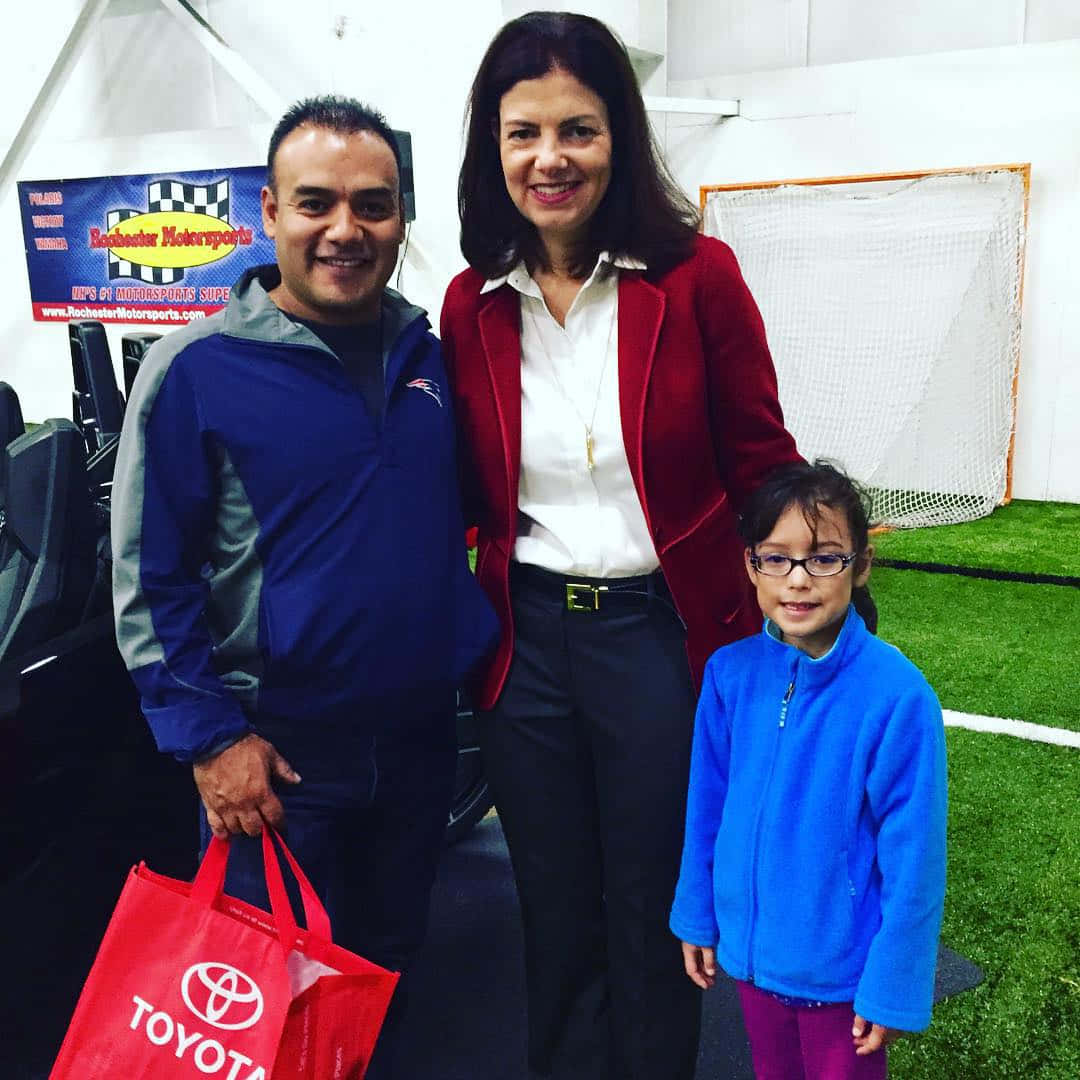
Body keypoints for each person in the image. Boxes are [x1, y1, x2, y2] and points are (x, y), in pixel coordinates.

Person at [440, 12, 803, 1078]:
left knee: (655, 904)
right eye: (523, 134)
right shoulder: (470, 305)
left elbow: (764, 463)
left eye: (578, 130)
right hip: (527, 647)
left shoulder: (697, 279)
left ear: (620, 137)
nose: (549, 158)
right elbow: (459, 486)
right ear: (492, 149)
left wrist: (808, 598)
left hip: (662, 638)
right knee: (550, 902)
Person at [111, 95, 496, 1076]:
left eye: (373, 205)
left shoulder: (429, 358)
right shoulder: (196, 369)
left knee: (386, 971)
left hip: (414, 748)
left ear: (402, 217)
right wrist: (209, 741)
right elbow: (147, 578)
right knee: (260, 1004)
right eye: (316, 202)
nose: (345, 230)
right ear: (269, 214)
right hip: (275, 767)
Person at [671, 460, 947, 1079]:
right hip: (752, 964)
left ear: (862, 564)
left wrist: (893, 981)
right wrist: (696, 910)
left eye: (824, 558)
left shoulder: (896, 696)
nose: (798, 579)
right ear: (751, 564)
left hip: (841, 979)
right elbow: (706, 806)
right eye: (776, 557)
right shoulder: (728, 675)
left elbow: (916, 858)